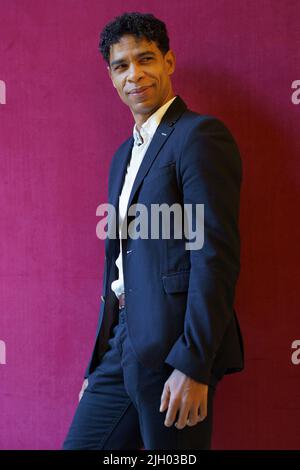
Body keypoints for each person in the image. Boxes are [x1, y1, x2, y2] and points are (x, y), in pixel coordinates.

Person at [63, 11, 244, 450]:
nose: (134, 74)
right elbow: (119, 266)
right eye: (121, 65)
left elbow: (213, 256)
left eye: (146, 59)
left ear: (169, 61)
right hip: (121, 344)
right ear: (110, 75)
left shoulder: (198, 135)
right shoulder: (122, 155)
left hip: (173, 347)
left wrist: (194, 364)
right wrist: (99, 363)